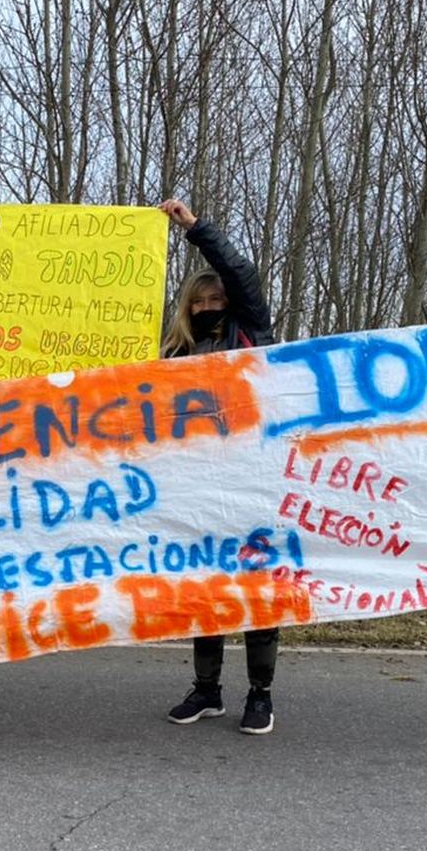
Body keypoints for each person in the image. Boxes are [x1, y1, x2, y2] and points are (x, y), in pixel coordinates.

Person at [158, 198, 279, 735]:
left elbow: (242, 272)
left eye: (216, 297)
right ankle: (207, 689)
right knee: (204, 586)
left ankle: (261, 694)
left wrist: (195, 228)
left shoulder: (253, 333)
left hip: (252, 479)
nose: (209, 304)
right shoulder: (172, 354)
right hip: (197, 487)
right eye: (199, 299)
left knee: (255, 586)